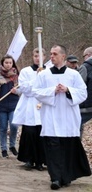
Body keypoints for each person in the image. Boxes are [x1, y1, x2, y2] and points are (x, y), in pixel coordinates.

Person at [33, 44, 91, 190]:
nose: (51, 56)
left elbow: (83, 93)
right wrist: (53, 90)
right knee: (53, 149)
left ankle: (65, 176)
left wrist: (67, 90)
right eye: (51, 54)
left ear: (63, 56)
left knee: (67, 149)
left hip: (68, 118)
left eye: (54, 54)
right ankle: (55, 178)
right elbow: (36, 92)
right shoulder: (43, 74)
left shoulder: (74, 75)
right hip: (51, 117)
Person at [12, 48, 46, 171]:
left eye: (40, 56)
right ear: (33, 57)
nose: (38, 58)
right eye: (36, 56)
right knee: (30, 132)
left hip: (44, 104)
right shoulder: (26, 71)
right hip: (30, 105)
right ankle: (29, 159)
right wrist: (37, 76)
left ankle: (41, 161)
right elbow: (25, 89)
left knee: (42, 133)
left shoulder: (49, 71)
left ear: (45, 57)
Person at [0, 55, 20, 158]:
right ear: (2, 63)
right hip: (0, 104)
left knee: (14, 125)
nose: (8, 65)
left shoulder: (17, 74)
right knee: (3, 127)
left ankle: (12, 145)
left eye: (10, 63)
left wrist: (17, 91)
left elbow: (22, 89)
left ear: (13, 64)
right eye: (6, 62)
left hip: (13, 103)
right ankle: (4, 148)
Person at [79, 47, 92, 137]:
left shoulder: (85, 67)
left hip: (87, 104)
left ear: (88, 55)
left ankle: (75, 148)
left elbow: (79, 86)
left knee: (76, 123)